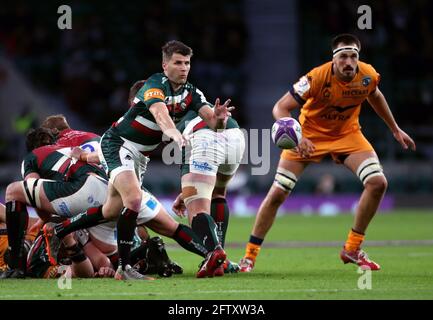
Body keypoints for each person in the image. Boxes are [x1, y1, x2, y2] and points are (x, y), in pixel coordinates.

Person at [50, 40, 233, 280]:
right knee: (134, 200)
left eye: (187, 63)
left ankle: (62, 228)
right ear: (165, 65)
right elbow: (160, 113)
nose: (184, 68)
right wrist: (173, 133)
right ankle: (124, 269)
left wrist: (219, 120)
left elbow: (213, 122)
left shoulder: (192, 93)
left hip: (140, 156)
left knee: (111, 209)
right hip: (118, 144)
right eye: (178, 62)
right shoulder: (155, 84)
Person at [239, 33, 416, 272]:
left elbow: (374, 95)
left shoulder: (368, 75)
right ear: (334, 59)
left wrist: (395, 129)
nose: (349, 62)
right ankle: (249, 257)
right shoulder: (315, 77)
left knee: (377, 182)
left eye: (353, 56)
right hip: (309, 136)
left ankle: (352, 248)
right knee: (278, 194)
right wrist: (297, 138)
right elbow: (280, 108)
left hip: (347, 135)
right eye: (343, 56)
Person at [1, 126, 109, 278]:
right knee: (102, 252)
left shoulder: (32, 157)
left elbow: (31, 186)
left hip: (80, 192)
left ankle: (15, 265)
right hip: (108, 194)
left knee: (13, 190)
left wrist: (45, 219)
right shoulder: (68, 150)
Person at [172, 109, 245, 277]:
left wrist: (188, 194)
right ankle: (220, 260)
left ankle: (215, 254)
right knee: (218, 193)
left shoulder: (157, 108)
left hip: (202, 137)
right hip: (235, 135)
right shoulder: (193, 100)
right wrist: (185, 194)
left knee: (196, 209)